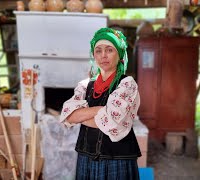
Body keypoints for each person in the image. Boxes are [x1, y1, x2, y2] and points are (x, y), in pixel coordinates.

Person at [60, 27, 141, 180]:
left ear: (119, 54)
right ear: (94, 55)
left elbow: (113, 121)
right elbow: (68, 116)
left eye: (109, 50)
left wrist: (82, 115)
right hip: (86, 158)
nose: (103, 55)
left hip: (117, 159)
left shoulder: (127, 84)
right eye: (98, 51)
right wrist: (101, 110)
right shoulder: (85, 85)